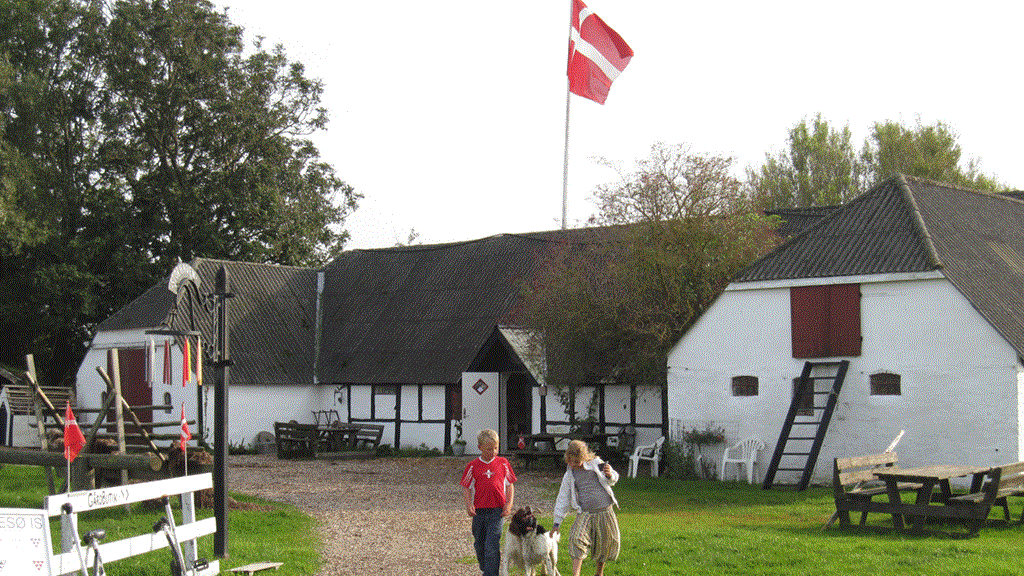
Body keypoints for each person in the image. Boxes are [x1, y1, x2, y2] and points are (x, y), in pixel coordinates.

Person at [552, 439, 620, 576]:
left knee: (603, 544)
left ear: (584, 457)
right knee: (577, 538)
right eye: (570, 461)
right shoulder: (569, 475)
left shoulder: (597, 464)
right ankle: (575, 574)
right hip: (586, 513)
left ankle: (599, 573)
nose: (573, 465)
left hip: (604, 511)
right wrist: (557, 523)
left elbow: (614, 478)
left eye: (576, 462)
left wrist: (609, 475)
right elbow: (563, 498)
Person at [460, 429, 516, 576]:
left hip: (497, 511)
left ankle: (491, 573)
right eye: (489, 449)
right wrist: (468, 505)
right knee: (480, 544)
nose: (493, 452)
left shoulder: (503, 463)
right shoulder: (472, 466)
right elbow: (466, 487)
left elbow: (510, 485)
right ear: (480, 448)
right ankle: (486, 568)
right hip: (479, 512)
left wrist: (508, 504)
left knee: (492, 545)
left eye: (496, 448)